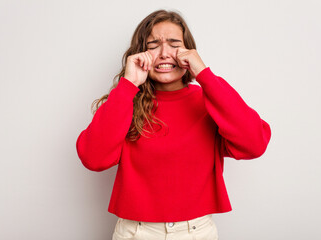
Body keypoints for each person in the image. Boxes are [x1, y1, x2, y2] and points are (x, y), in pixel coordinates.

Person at [76, 9, 271, 240]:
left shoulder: (210, 101)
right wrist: (128, 84)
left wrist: (204, 75)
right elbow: (93, 157)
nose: (164, 53)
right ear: (141, 53)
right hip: (136, 232)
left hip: (197, 232)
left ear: (189, 52)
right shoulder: (125, 101)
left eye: (174, 44)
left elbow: (254, 143)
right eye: (153, 45)